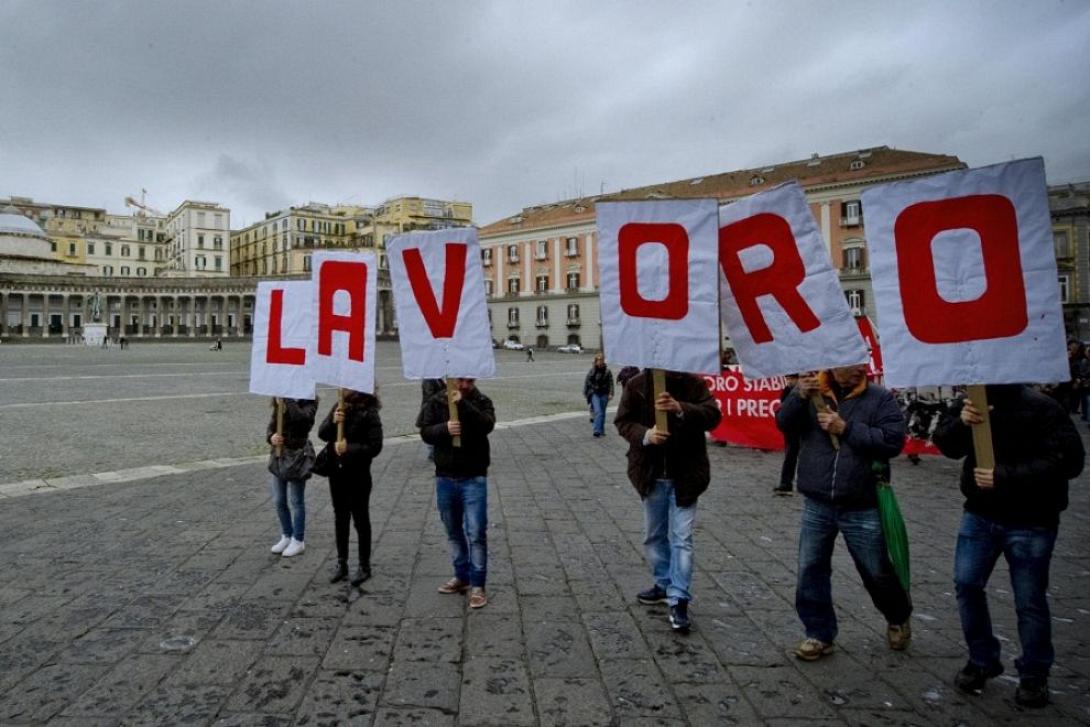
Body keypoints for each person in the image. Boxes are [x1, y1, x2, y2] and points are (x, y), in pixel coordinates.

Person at [932, 384, 1084, 708]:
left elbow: (1069, 461)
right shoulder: (970, 402)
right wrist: (962, 422)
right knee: (967, 584)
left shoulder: (1043, 406)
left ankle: (1034, 674)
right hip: (980, 513)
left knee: (1029, 600)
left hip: (1032, 519)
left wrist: (1005, 476)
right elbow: (946, 444)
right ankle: (982, 658)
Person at [775, 365, 911, 660]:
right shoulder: (812, 393)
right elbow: (785, 425)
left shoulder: (879, 398)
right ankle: (819, 633)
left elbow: (892, 442)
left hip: (861, 501)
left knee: (876, 570)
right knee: (810, 569)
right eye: (846, 365)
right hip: (818, 499)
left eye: (858, 365)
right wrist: (797, 396)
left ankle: (897, 615)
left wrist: (846, 429)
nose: (854, 370)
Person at [615, 369, 722, 633]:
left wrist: (680, 408)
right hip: (652, 475)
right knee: (654, 535)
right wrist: (646, 435)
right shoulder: (637, 385)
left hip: (686, 475)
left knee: (682, 539)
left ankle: (679, 597)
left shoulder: (692, 383)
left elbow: (713, 416)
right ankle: (663, 582)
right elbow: (623, 422)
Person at [419, 377, 496, 608]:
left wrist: (462, 404)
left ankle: (478, 585)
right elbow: (424, 431)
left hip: (474, 476)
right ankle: (461, 576)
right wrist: (444, 428)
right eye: (459, 379)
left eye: (467, 380)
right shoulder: (436, 401)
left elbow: (486, 425)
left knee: (476, 533)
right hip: (445, 476)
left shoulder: (481, 400)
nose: (463, 384)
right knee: (453, 531)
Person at [318, 389, 384, 586]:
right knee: (340, 517)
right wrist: (332, 420)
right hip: (337, 473)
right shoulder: (339, 406)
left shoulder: (369, 412)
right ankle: (342, 562)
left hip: (359, 474)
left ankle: (364, 565)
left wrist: (349, 449)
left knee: (361, 519)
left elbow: (375, 446)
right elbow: (322, 434)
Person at [267, 397, 319, 558]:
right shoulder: (279, 401)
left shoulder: (310, 401)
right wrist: (272, 437)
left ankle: (298, 539)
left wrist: (288, 399)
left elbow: (302, 420)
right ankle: (286, 534)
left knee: (297, 501)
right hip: (279, 456)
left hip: (297, 457)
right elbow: (272, 426)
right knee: (279, 500)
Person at [775, 374, 801, 495]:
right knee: (790, 457)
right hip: (791, 429)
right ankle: (786, 482)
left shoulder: (803, 391)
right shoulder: (787, 391)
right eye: (788, 379)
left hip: (802, 428)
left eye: (792, 379)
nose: (789, 381)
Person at [583, 354, 615, 438]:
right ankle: (596, 430)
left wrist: (611, 393)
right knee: (598, 412)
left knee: (602, 413)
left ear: (604, 361)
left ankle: (601, 430)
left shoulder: (608, 371)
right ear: (596, 361)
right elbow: (587, 381)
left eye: (601, 359)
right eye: (598, 360)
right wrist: (586, 392)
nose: (600, 361)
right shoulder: (592, 371)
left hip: (604, 394)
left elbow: (611, 383)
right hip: (595, 393)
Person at [417, 378, 445, 462]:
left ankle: (435, 452)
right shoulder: (429, 378)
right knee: (432, 429)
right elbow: (430, 396)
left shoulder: (439, 377)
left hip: (438, 409)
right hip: (431, 409)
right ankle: (433, 453)